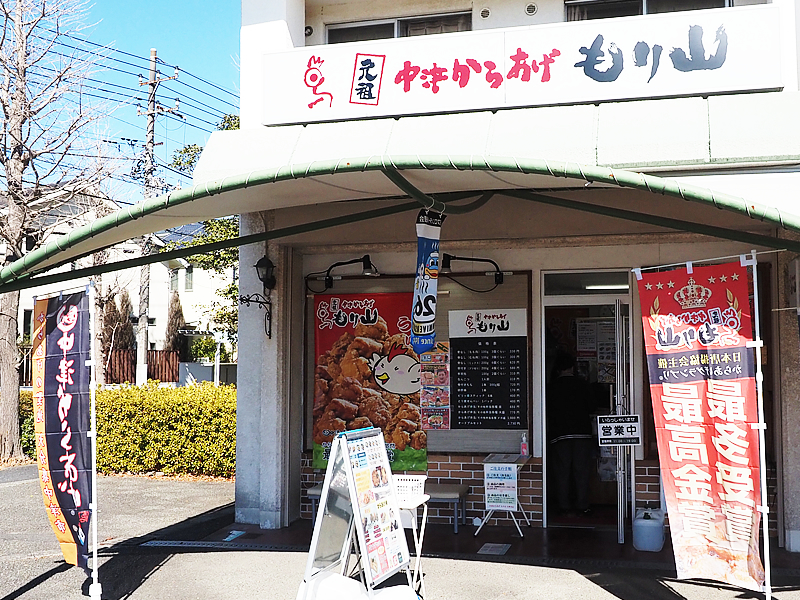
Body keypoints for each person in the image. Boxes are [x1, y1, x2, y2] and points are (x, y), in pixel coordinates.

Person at [546, 351, 596, 515]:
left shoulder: (551, 387)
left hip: (560, 435)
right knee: (582, 471)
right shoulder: (582, 384)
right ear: (572, 367)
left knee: (562, 471)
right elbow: (591, 407)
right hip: (582, 433)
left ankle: (564, 505)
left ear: (558, 369)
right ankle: (582, 505)